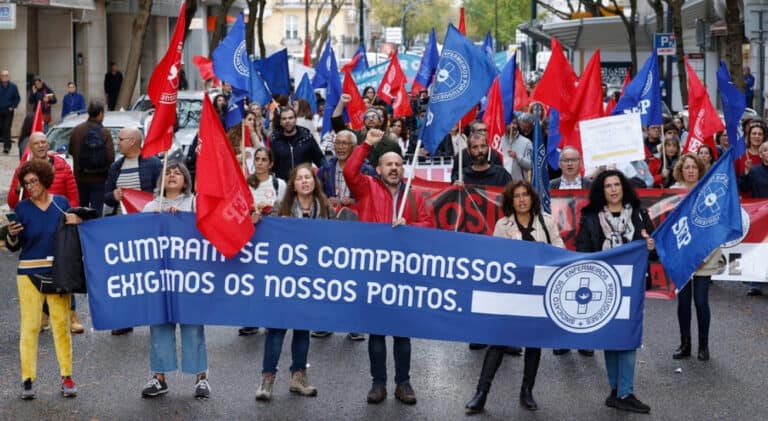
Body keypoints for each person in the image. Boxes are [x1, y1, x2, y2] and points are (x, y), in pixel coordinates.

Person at [344, 128, 434, 405]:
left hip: (404, 273)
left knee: (402, 332)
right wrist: (365, 145)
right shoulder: (367, 187)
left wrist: (411, 227)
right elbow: (349, 173)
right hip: (374, 271)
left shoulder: (414, 195)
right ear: (379, 168)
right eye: (389, 164)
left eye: (398, 164)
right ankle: (378, 383)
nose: (394, 168)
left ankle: (403, 383)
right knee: (377, 331)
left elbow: (430, 226)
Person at [465, 180, 565, 414]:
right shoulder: (503, 225)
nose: (521, 199)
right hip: (511, 294)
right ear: (511, 201)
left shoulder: (547, 222)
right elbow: (496, 258)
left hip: (538, 293)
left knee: (533, 344)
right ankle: (481, 393)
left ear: (532, 198)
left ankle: (527, 391)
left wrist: (546, 251)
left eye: (525, 195)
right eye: (517, 196)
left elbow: (560, 250)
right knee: (499, 342)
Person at [576, 169, 655, 414]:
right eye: (608, 185)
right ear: (602, 190)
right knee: (611, 337)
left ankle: (625, 391)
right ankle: (615, 391)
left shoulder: (640, 214)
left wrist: (650, 245)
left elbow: (654, 252)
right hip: (604, 286)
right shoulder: (590, 217)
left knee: (628, 337)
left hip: (632, 286)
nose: (613, 189)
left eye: (617, 185)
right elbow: (583, 251)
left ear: (624, 188)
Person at [5, 160, 83, 400]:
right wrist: (11, 234)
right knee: (29, 327)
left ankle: (67, 377)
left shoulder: (61, 204)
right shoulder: (22, 208)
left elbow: (75, 235)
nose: (30, 187)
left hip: (59, 271)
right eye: (26, 183)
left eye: (33, 181)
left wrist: (77, 222)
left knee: (61, 326)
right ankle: (27, 380)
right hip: (28, 272)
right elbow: (13, 247)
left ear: (44, 179)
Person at [254, 164, 333, 401]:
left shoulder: (324, 208)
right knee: (276, 329)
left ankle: (298, 377)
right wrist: (258, 220)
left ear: (314, 182)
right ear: (293, 184)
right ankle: (267, 380)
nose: (305, 182)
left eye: (308, 177)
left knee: (302, 329)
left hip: (311, 279)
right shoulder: (282, 207)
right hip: (284, 279)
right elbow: (267, 236)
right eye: (300, 178)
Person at [139, 162, 210, 399]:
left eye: (178, 173)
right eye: (168, 172)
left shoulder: (194, 203)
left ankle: (201, 378)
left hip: (188, 278)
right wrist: (155, 220)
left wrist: (182, 220)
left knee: (192, 328)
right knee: (159, 326)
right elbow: (137, 239)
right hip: (160, 278)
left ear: (186, 181)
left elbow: (206, 231)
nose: (172, 175)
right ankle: (159, 378)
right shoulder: (151, 206)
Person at [7, 132, 84, 334]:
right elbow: (13, 204)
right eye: (37, 143)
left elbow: (73, 195)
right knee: (37, 271)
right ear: (30, 148)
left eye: (44, 142)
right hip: (36, 225)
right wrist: (17, 190)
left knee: (64, 267)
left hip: (59, 222)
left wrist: (71, 216)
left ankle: (71, 316)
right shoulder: (22, 170)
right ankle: (43, 315)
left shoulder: (61, 165)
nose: (41, 145)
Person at [313, 130, 375, 340]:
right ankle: (326, 322)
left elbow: (372, 196)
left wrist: (355, 203)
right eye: (337, 143)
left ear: (353, 147)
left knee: (353, 277)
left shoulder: (366, 169)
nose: (339, 147)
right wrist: (326, 199)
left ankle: (354, 323)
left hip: (356, 229)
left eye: (344, 143)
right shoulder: (326, 168)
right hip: (331, 226)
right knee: (329, 276)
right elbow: (317, 191)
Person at [103, 127, 162, 334]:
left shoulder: (154, 164)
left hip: (147, 230)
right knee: (125, 277)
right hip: (122, 229)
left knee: (149, 276)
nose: (117, 142)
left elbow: (161, 194)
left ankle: (156, 317)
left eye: (121, 139)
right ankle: (125, 319)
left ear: (134, 142)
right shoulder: (116, 167)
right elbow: (106, 195)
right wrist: (114, 196)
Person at [669, 154, 722, 361]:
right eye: (686, 167)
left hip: (705, 257)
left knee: (700, 301)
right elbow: (668, 226)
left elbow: (713, 228)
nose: (690, 170)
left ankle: (703, 345)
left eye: (694, 167)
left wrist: (702, 256)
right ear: (681, 170)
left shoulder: (708, 191)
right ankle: (685, 344)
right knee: (683, 302)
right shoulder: (673, 193)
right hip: (682, 257)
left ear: (700, 169)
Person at [237, 147, 286, 337]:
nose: (259, 163)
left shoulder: (279, 184)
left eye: (264, 159)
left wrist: (270, 213)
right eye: (257, 159)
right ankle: (250, 320)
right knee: (250, 280)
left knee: (269, 281)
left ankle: (269, 318)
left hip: (271, 240)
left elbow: (284, 209)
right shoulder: (245, 184)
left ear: (271, 163)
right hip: (250, 239)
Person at [550, 145, 594, 357]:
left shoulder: (592, 187)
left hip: (584, 247)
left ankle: (585, 341)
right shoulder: (550, 186)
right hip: (560, 247)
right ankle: (562, 340)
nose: (569, 163)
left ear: (580, 163)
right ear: (559, 164)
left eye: (573, 160)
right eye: (565, 160)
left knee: (586, 294)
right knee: (561, 294)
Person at [69, 101, 115, 215]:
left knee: (81, 211)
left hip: (80, 178)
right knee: (96, 211)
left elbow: (70, 151)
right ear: (100, 114)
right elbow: (111, 157)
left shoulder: (77, 130)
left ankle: (82, 231)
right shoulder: (104, 132)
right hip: (99, 179)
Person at [332, 94, 401, 165]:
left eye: (374, 117)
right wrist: (341, 102)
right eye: (367, 117)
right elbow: (338, 126)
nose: (370, 119)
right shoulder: (356, 136)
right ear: (364, 122)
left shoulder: (391, 144)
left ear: (381, 121)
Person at [738, 141, 768, 296]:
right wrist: (747, 173)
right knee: (759, 249)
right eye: (765, 150)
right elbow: (743, 188)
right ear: (761, 154)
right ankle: (756, 283)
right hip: (761, 216)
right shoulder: (755, 171)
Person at [271, 106, 325, 181]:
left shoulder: (307, 138)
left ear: (295, 119)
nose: (287, 121)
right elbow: (271, 165)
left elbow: (320, 159)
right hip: (283, 186)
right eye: (284, 119)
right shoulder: (275, 140)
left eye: (290, 118)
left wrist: (326, 174)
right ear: (280, 122)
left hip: (304, 183)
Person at [500, 117, 533, 181]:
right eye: (509, 123)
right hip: (501, 182)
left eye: (514, 123)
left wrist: (517, 157)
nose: (512, 126)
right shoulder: (499, 140)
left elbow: (530, 165)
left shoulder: (526, 142)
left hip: (518, 184)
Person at [1, 69, 21, 154]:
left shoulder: (13, 86)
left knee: (7, 128)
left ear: (8, 77)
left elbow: (17, 98)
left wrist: (13, 106)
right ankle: (5, 141)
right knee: (1, 127)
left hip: (8, 110)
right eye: (3, 75)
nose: (5, 77)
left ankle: (7, 147)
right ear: (0, 77)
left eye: (6, 75)